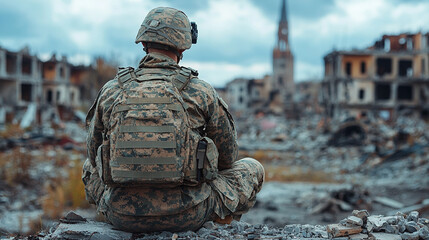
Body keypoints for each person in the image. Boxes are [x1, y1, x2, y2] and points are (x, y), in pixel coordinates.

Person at [82, 6, 264, 233]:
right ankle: (217, 228)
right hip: (189, 214)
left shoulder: (112, 90)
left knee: (88, 166)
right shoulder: (201, 91)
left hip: (122, 215)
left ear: (144, 44)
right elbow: (228, 159)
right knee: (253, 168)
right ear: (182, 46)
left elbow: (93, 153)